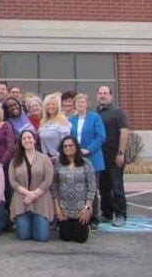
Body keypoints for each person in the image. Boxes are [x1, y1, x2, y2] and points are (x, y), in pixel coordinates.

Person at [9, 130, 54, 242]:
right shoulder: (15, 160)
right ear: (21, 142)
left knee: (42, 237)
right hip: (21, 199)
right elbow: (13, 181)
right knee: (24, 236)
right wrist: (28, 194)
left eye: (29, 137)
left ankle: (38, 221)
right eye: (24, 138)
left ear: (34, 140)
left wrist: (35, 194)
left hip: (41, 199)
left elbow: (48, 180)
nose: (27, 140)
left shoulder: (44, 159)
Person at [69, 93, 106, 229]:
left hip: (92, 157)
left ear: (87, 104)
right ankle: (79, 215)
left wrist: (88, 149)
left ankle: (94, 218)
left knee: (92, 189)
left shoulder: (95, 118)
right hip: (75, 159)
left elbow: (101, 136)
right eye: (77, 102)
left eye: (82, 102)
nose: (80, 104)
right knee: (78, 188)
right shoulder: (71, 119)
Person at [96, 86, 130, 227]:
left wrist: (121, 152)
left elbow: (124, 132)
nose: (102, 95)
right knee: (103, 187)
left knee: (116, 186)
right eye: (100, 93)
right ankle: (107, 214)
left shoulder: (117, 112)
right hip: (100, 156)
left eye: (105, 93)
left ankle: (121, 215)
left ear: (110, 96)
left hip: (114, 156)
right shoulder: (95, 113)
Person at [52, 136, 96, 243]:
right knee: (65, 237)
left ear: (76, 147)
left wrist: (88, 208)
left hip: (81, 210)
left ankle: (86, 225)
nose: (68, 148)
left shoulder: (86, 163)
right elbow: (54, 187)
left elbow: (92, 186)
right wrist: (57, 208)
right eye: (65, 146)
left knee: (80, 239)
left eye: (71, 145)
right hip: (64, 210)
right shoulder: (58, 164)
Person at [38, 93, 71, 160]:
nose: (51, 106)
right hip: (47, 158)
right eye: (48, 104)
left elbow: (66, 140)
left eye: (53, 104)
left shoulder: (62, 119)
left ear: (57, 106)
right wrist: (45, 156)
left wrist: (60, 156)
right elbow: (42, 142)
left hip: (61, 157)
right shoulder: (43, 121)